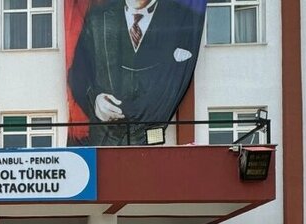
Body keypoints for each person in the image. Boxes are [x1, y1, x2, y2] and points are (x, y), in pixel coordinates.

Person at [67, 0, 205, 146]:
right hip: (104, 142)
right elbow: (78, 74)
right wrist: (96, 100)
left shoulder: (182, 19)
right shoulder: (98, 19)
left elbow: (178, 79)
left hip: (150, 141)